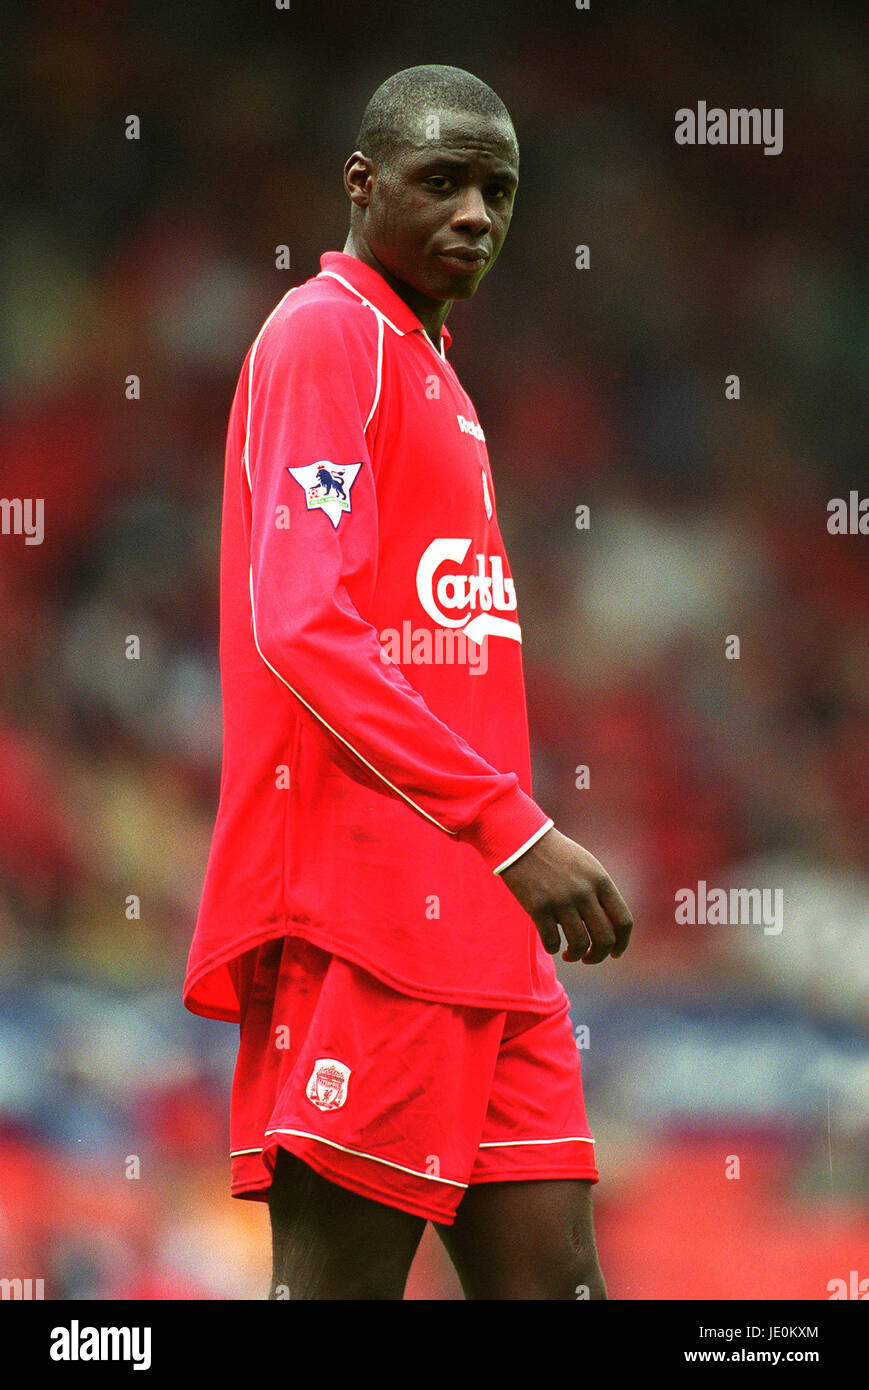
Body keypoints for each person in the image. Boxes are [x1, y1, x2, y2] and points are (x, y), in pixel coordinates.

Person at [183, 63, 633, 1300]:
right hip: (375, 922)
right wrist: (510, 824)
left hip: (489, 936)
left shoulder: (434, 368)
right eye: (443, 182)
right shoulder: (325, 334)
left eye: (499, 189)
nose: (477, 213)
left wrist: (503, 852)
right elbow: (302, 625)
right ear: (361, 182)